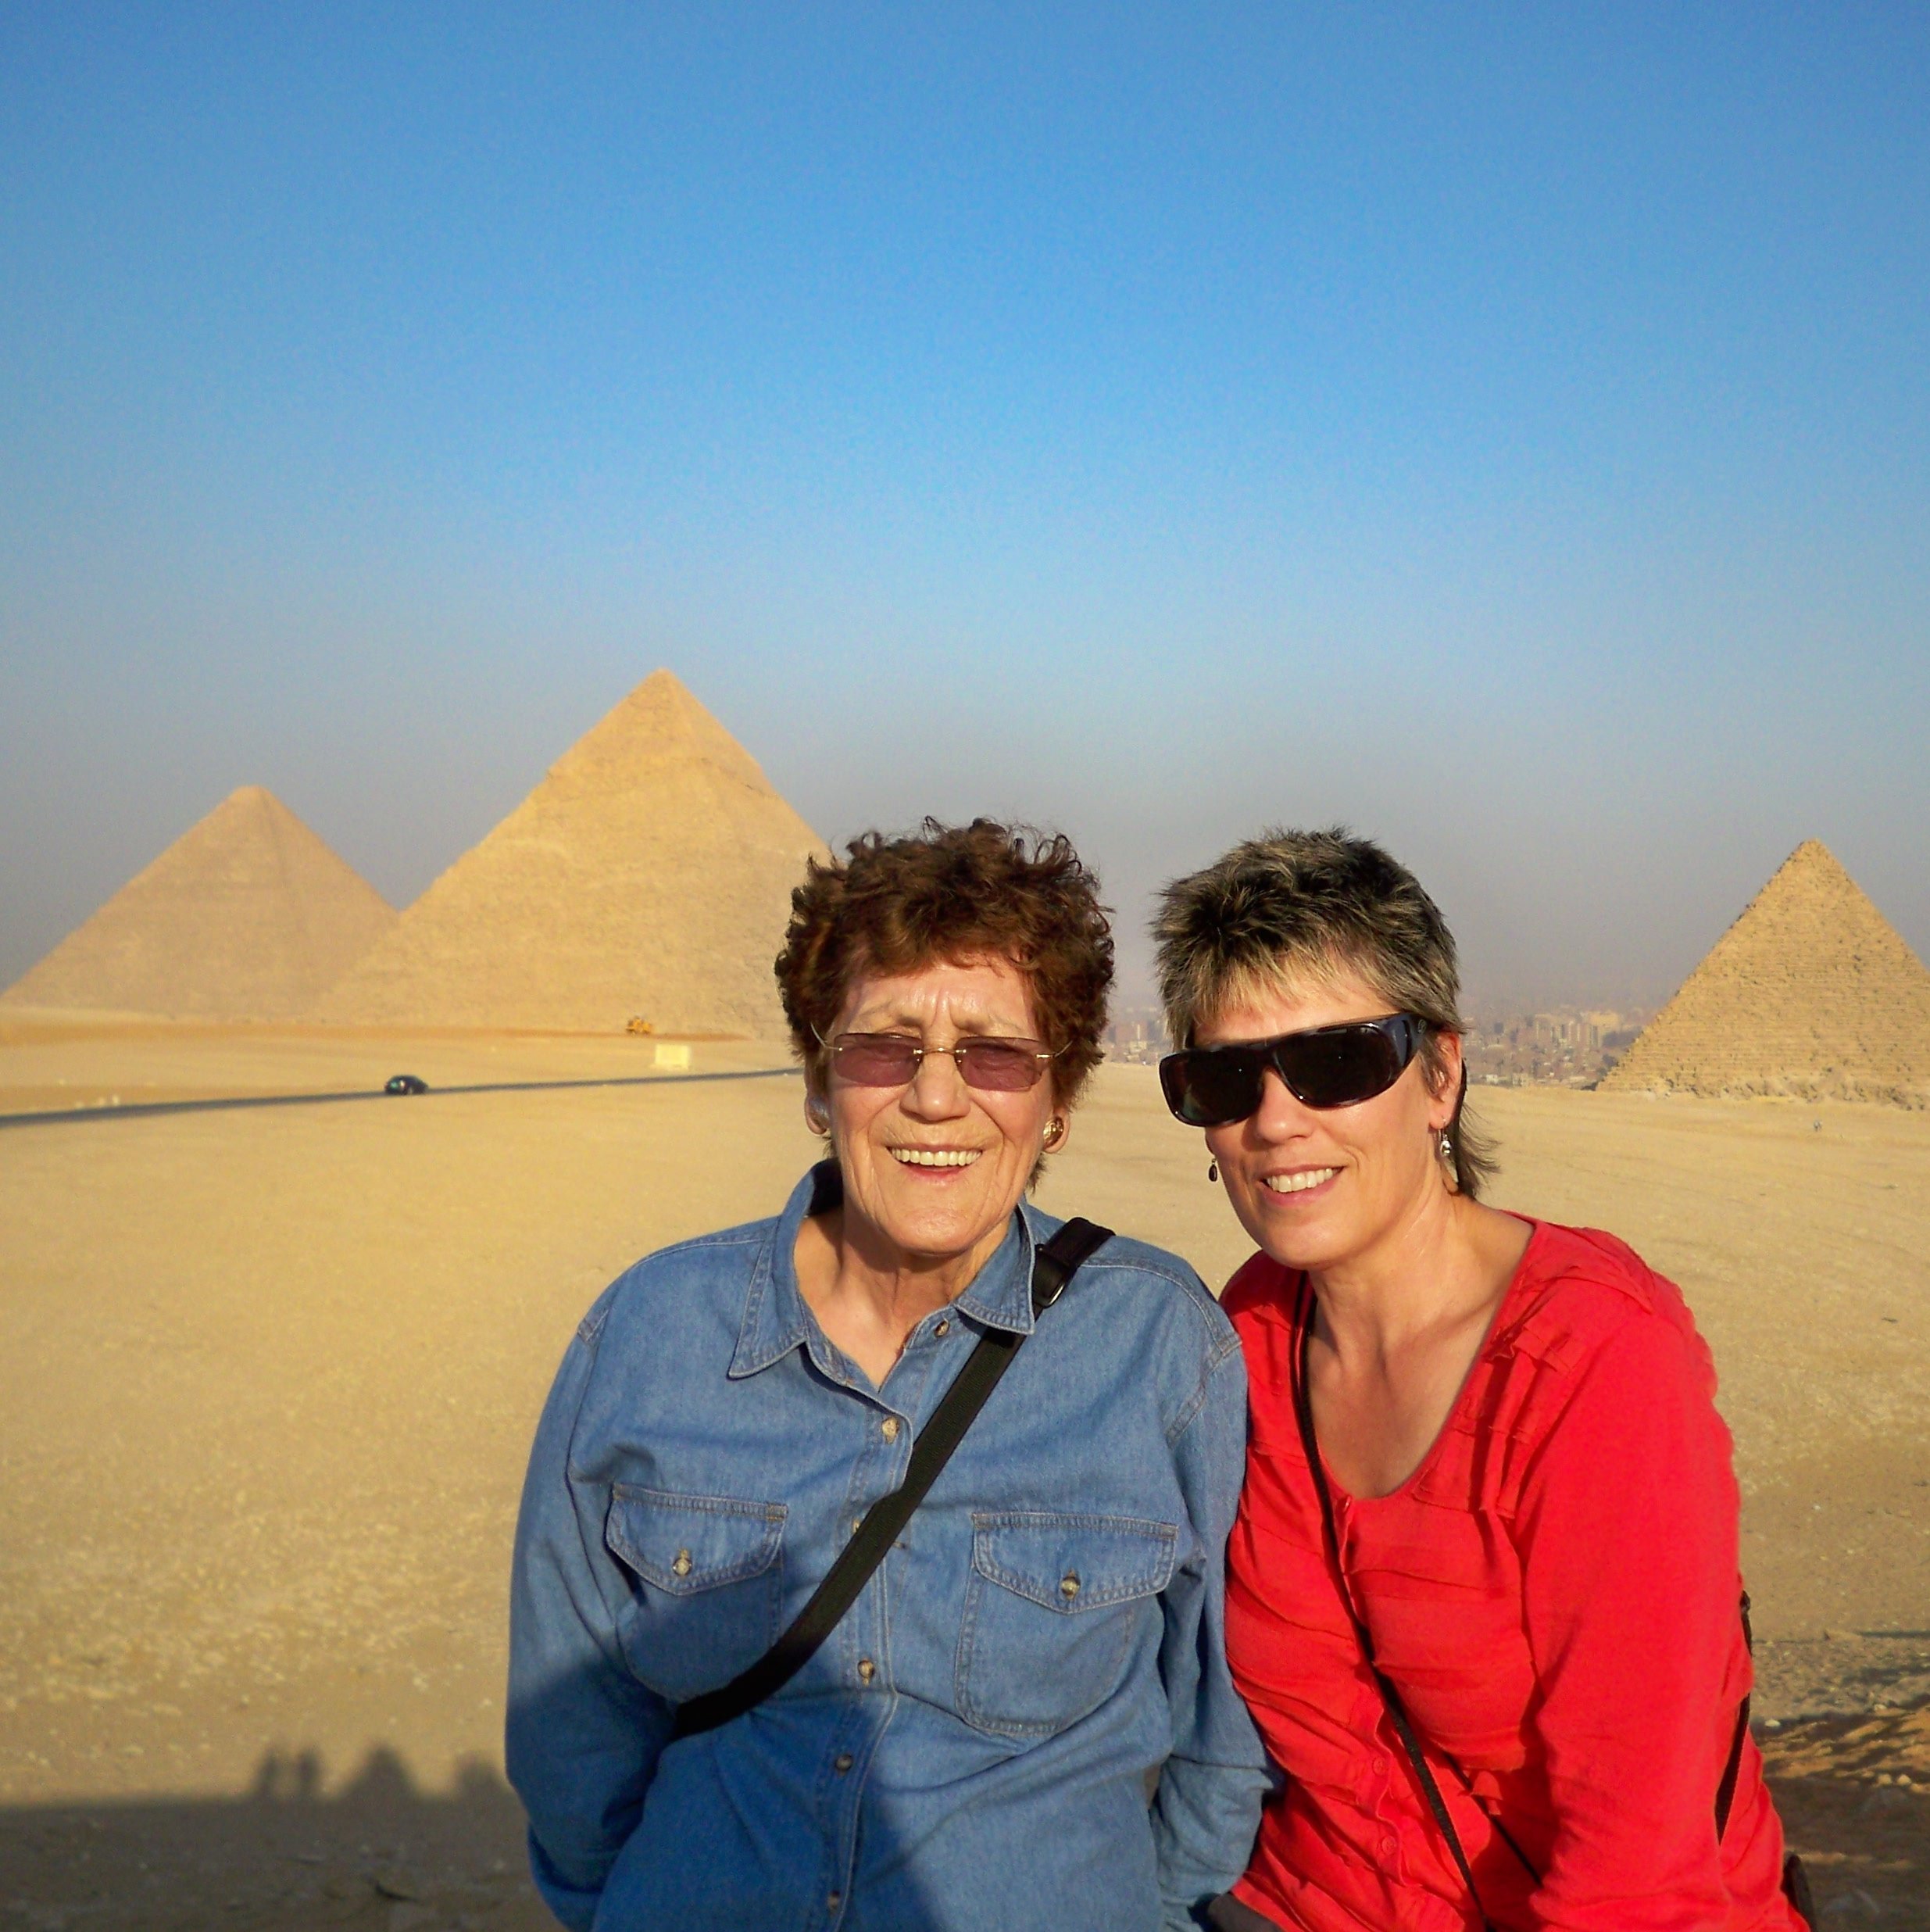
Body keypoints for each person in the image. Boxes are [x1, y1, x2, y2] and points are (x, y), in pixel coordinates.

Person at [508, 819, 1268, 1932]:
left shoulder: (1156, 1351)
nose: (935, 1097)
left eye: (994, 1054)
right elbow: (570, 1723)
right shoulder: (649, 1334)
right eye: (884, 1048)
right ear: (820, 1085)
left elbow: (1222, 1733)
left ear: (1055, 1103)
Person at [1152, 828, 1806, 1932]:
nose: (1274, 1120)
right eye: (1224, 1078)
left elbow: (1635, 1873)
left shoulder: (1594, 1362)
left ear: (1440, 1076)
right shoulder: (1242, 1333)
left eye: (1336, 1063)